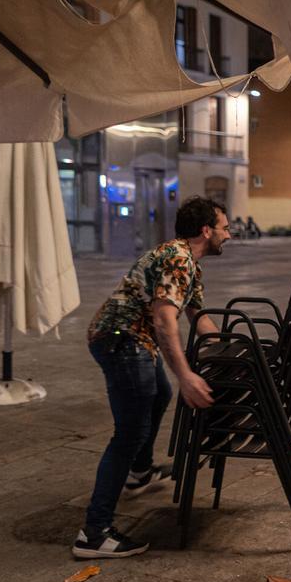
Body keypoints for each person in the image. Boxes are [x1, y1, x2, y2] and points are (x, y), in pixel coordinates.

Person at [73, 196, 230, 559]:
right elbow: (164, 321)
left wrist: (233, 350)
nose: (229, 234)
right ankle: (93, 533)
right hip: (122, 341)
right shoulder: (177, 259)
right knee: (129, 433)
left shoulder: (189, 261)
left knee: (158, 394)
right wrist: (187, 376)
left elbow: (199, 318)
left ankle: (139, 473)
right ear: (206, 230)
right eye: (224, 228)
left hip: (131, 339)